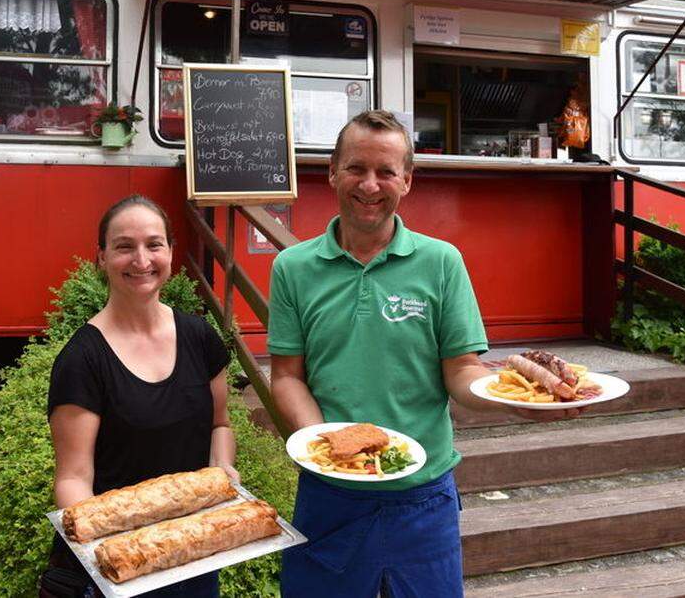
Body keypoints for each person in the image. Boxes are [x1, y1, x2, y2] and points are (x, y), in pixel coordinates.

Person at [268, 110, 577, 598]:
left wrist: (515, 401)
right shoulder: (293, 267)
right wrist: (323, 446)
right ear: (331, 171)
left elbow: (461, 371)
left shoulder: (441, 262)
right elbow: (286, 376)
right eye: (356, 168)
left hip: (422, 495)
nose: (370, 185)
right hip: (330, 495)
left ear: (407, 181)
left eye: (386, 171)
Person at [46, 195, 237, 598]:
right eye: (124, 246)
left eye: (154, 244)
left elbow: (220, 425)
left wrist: (223, 467)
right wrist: (110, 556)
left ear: (170, 252)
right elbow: (73, 478)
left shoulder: (200, 337)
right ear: (100, 258)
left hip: (197, 547)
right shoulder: (83, 360)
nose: (141, 260)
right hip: (122, 561)